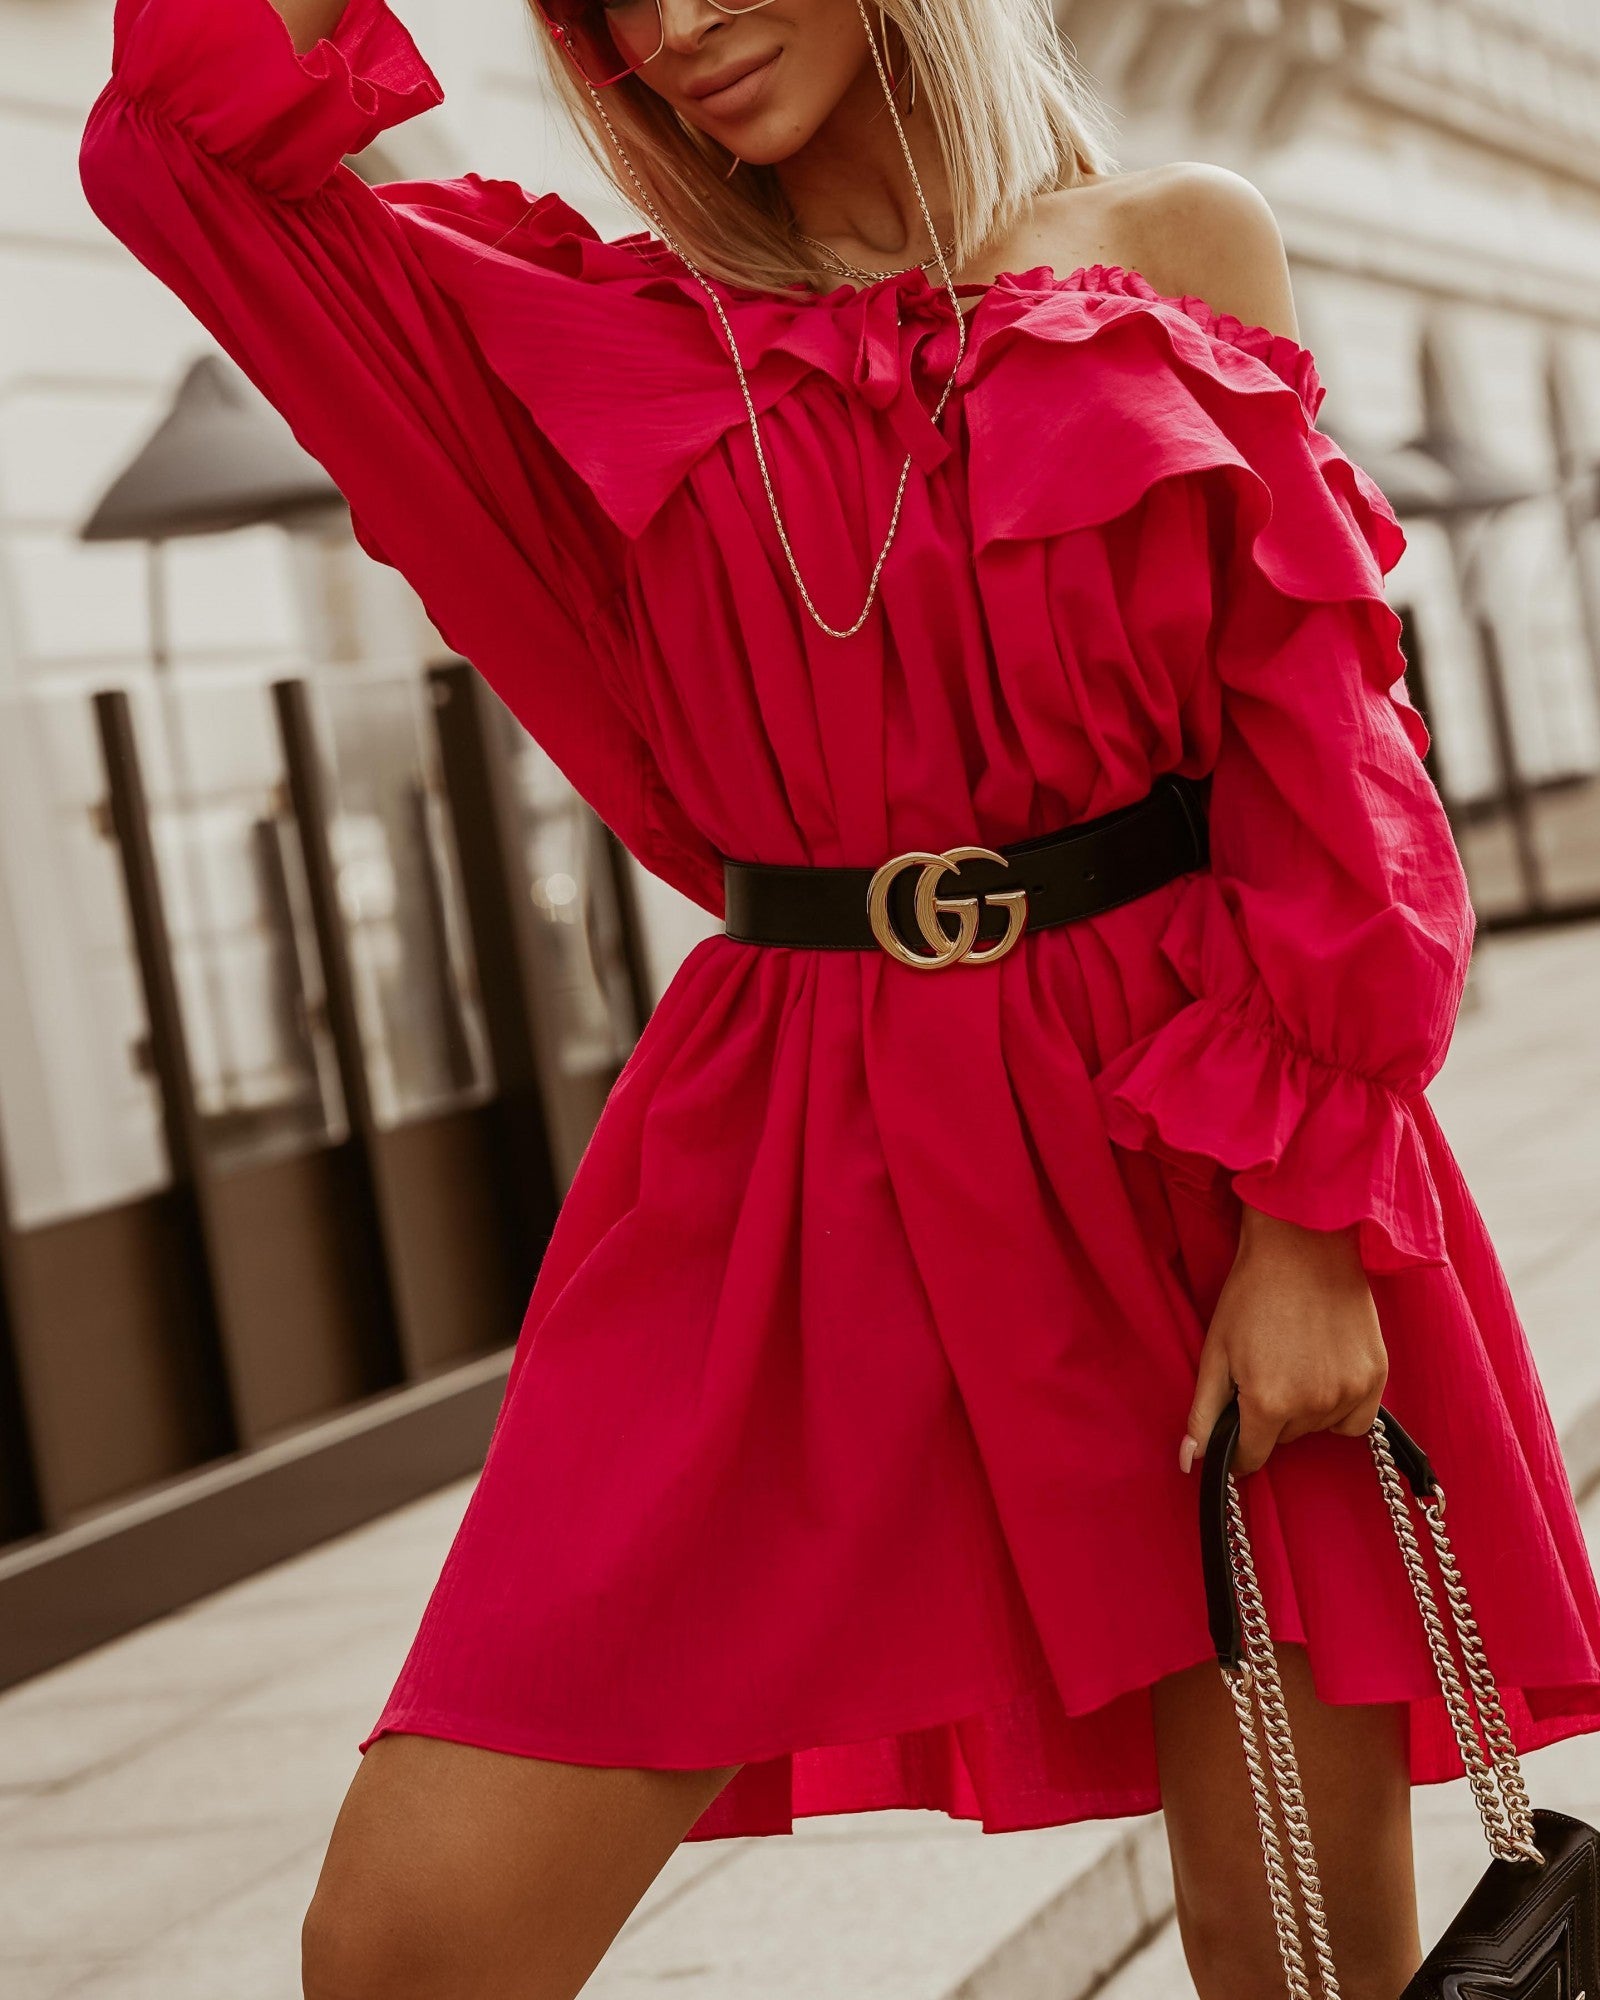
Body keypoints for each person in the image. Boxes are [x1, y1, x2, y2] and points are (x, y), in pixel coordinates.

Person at [79, 1, 1600, 1996]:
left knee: (1292, 1952)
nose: (677, 26)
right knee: (412, 1939)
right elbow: (183, 151)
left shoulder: (1172, 241)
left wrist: (1311, 1219)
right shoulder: (586, 326)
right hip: (795, 1145)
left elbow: (1322, 746)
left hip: (1190, 1123)